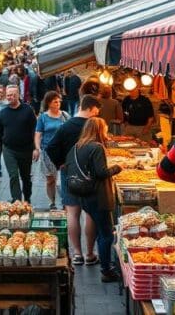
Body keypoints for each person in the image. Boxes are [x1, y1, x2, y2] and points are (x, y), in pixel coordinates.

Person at [46, 95, 102, 266]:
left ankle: (77, 253)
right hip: (91, 176)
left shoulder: (66, 126)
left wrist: (60, 163)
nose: (97, 114)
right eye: (96, 111)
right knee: (91, 213)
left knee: (72, 213)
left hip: (69, 173)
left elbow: (50, 147)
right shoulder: (94, 126)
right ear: (92, 109)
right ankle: (90, 253)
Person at [69, 118, 122, 281]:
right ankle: (106, 270)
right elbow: (101, 172)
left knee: (101, 231)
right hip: (99, 196)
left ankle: (104, 262)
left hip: (84, 196)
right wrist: (117, 167)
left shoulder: (77, 146)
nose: (106, 132)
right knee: (106, 234)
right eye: (105, 129)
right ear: (99, 130)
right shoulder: (97, 147)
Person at [0, 85, 37, 203]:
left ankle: (27, 197)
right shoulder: (3, 112)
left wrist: (35, 148)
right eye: (8, 95)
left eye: (13, 94)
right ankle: (17, 200)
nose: (11, 97)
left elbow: (35, 129)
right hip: (9, 149)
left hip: (26, 149)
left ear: (19, 95)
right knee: (13, 175)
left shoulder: (28, 110)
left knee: (25, 177)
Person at [34, 91, 69, 210]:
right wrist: (37, 148)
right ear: (49, 103)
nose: (58, 103)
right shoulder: (43, 117)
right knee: (50, 180)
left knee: (62, 179)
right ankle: (52, 201)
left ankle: (65, 201)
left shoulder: (65, 115)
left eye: (59, 101)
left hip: (62, 153)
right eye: (55, 101)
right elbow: (38, 134)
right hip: (47, 153)